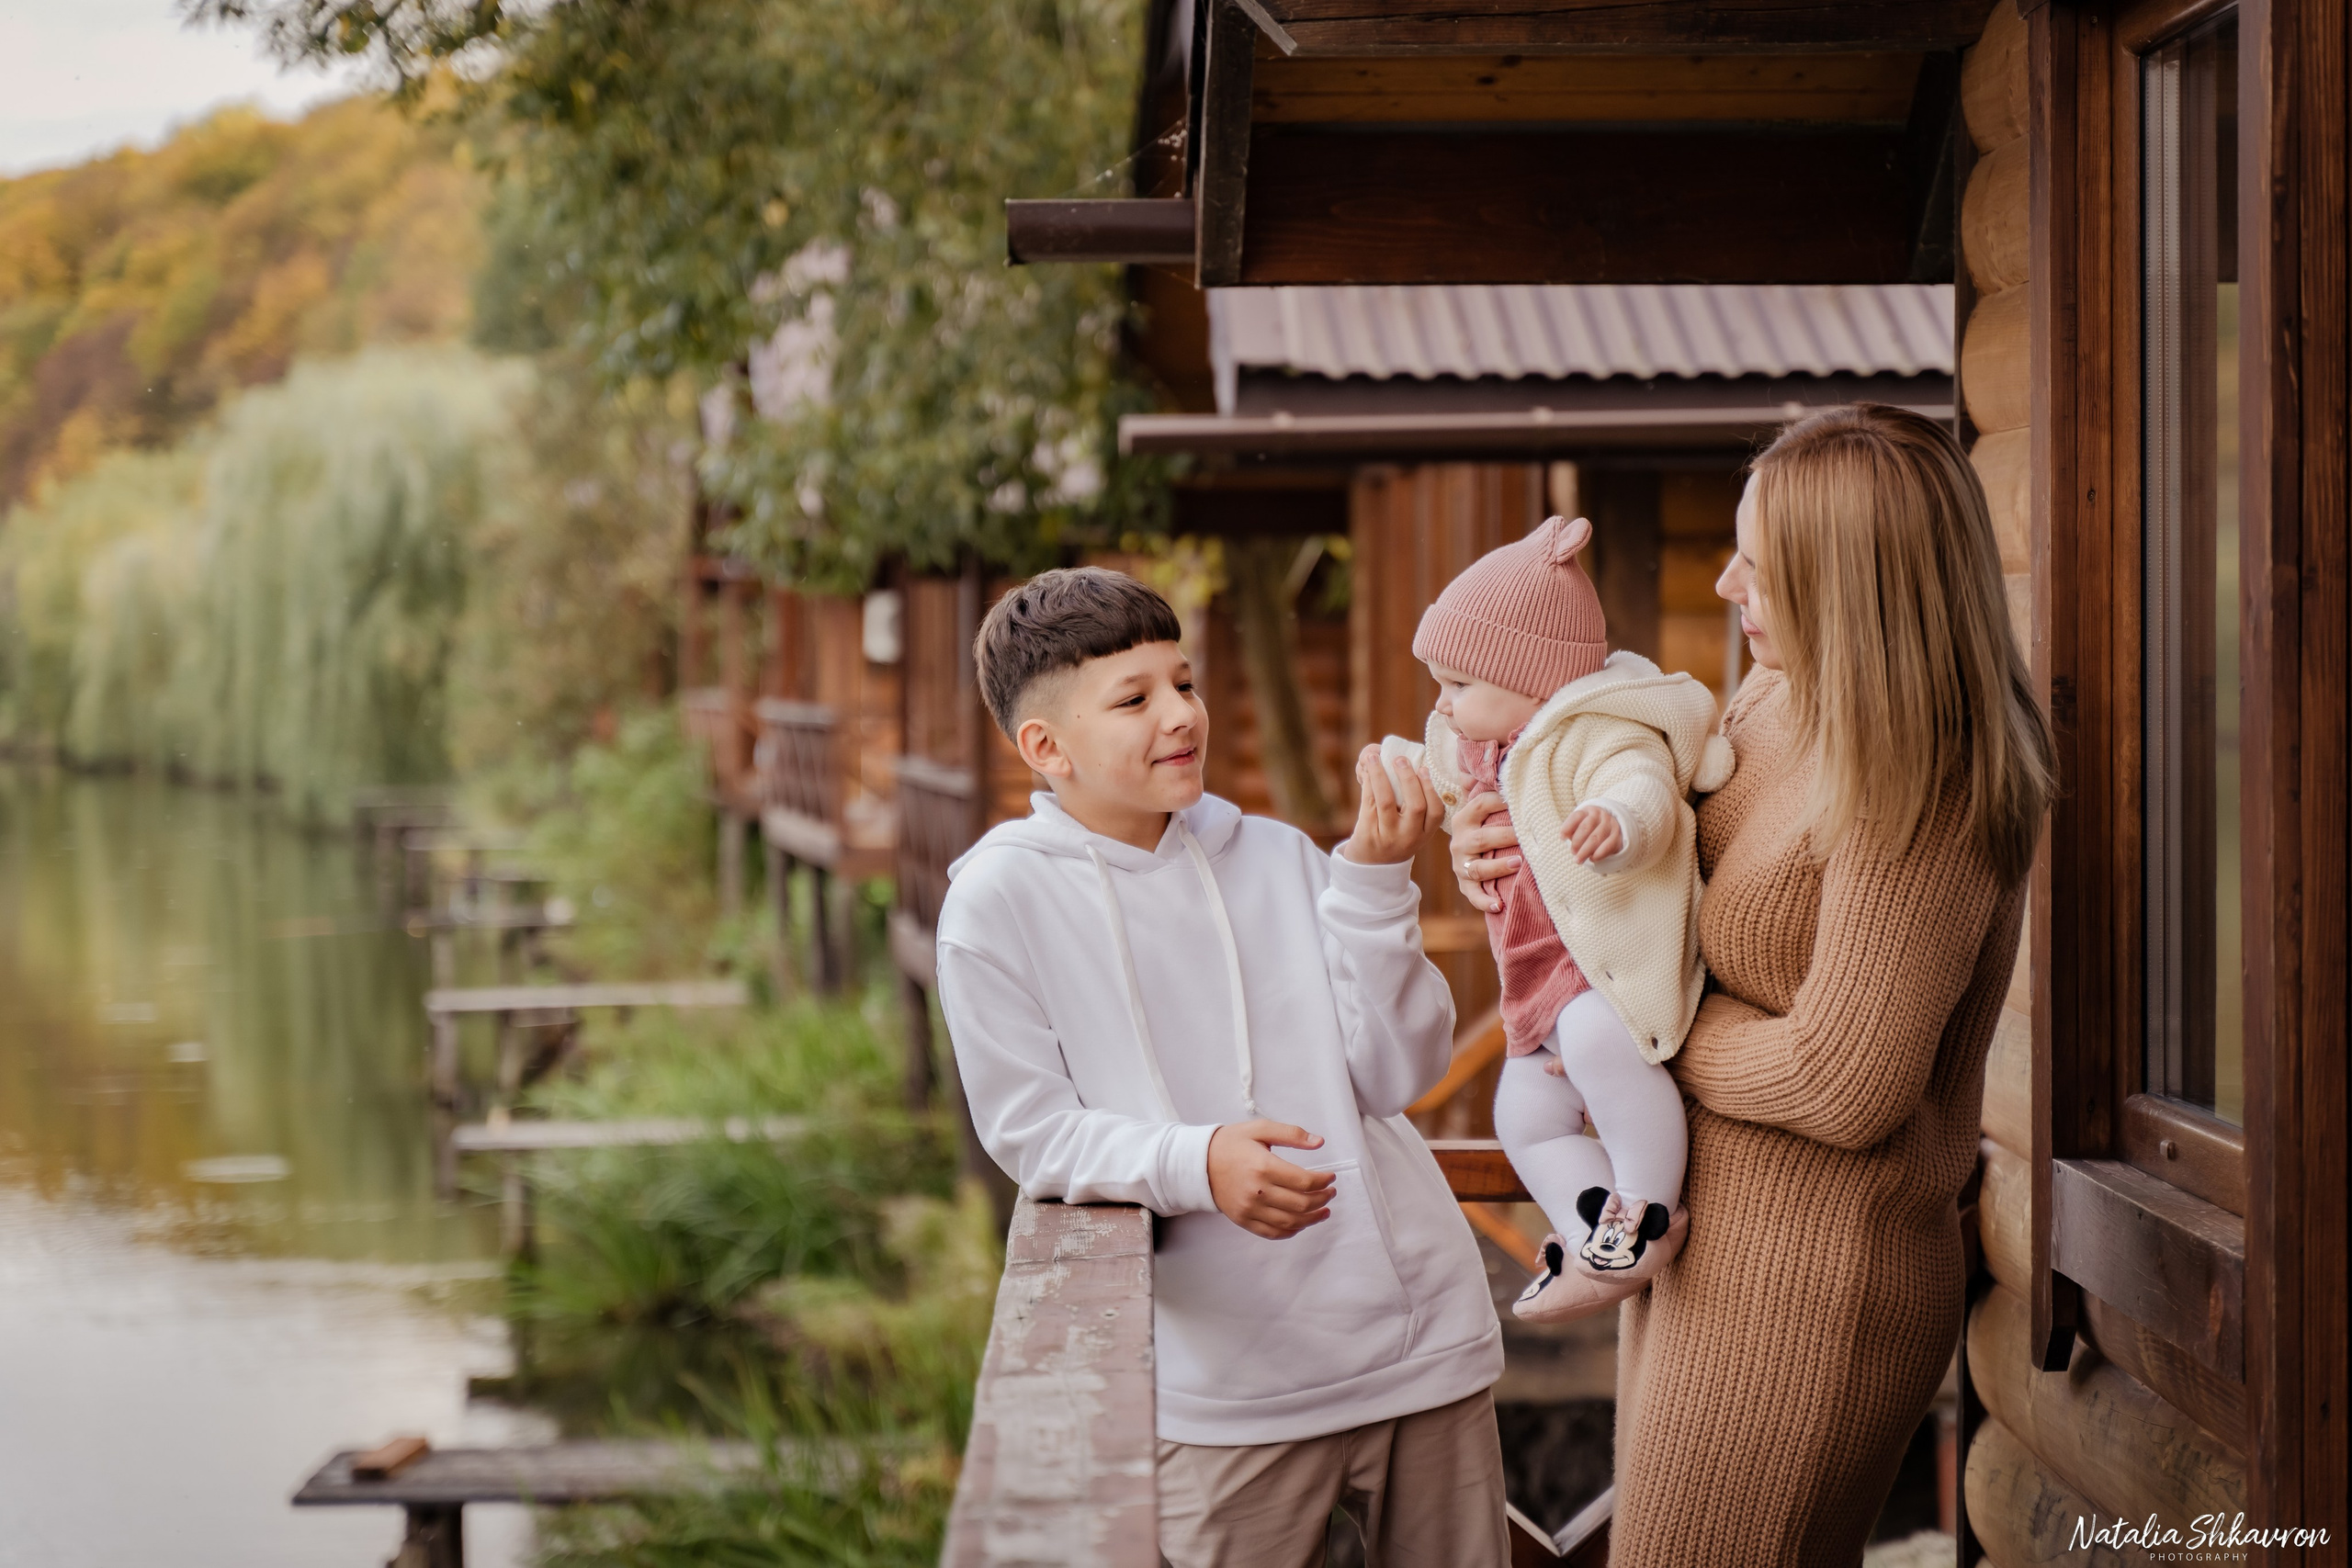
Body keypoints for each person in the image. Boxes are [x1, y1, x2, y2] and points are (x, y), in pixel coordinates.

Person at [1449, 405, 2053, 1564]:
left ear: (1855, 585)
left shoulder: (1923, 777)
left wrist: (1628, 1035)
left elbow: (1844, 1080)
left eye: (1761, 569)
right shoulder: (1774, 700)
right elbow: (1659, 891)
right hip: (1701, 1235)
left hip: (1811, 1279)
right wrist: (1517, 858)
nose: (1727, 584)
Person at [936, 567, 1508, 1568]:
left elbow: (1398, 1075)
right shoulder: (995, 904)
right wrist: (1197, 1163)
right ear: (1045, 747)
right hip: (1224, 1392)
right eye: (1134, 698)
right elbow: (1031, 1132)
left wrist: (1376, 881)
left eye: (1185, 682)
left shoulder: (1280, 855)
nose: (1180, 714)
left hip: (1420, 1348)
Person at [1392, 514, 1732, 1324]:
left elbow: (1643, 783)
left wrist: (1620, 821)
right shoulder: (1481, 745)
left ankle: (1647, 1207)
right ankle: (1591, 1233)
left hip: (1604, 977)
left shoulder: (1595, 733)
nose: (1442, 703)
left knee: (1596, 1044)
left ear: (1534, 680)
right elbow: (1435, 771)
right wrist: (1395, 765)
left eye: (1458, 684)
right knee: (1521, 1115)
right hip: (1538, 991)